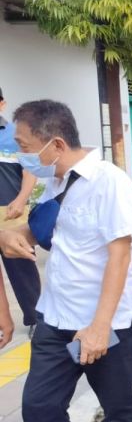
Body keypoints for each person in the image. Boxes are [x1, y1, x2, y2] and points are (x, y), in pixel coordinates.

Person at [0, 100, 132, 422]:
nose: (21, 155)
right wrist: (12, 235)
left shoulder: (110, 183)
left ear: (56, 144)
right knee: (40, 406)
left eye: (25, 146)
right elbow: (49, 229)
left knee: (117, 410)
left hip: (105, 325)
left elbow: (120, 255)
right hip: (55, 317)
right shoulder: (57, 181)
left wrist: (99, 327)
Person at [0, 87, 41, 338]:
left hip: (10, 212)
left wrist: (21, 199)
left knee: (21, 267)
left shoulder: (14, 135)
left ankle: (36, 318)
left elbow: (31, 171)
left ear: (2, 104)